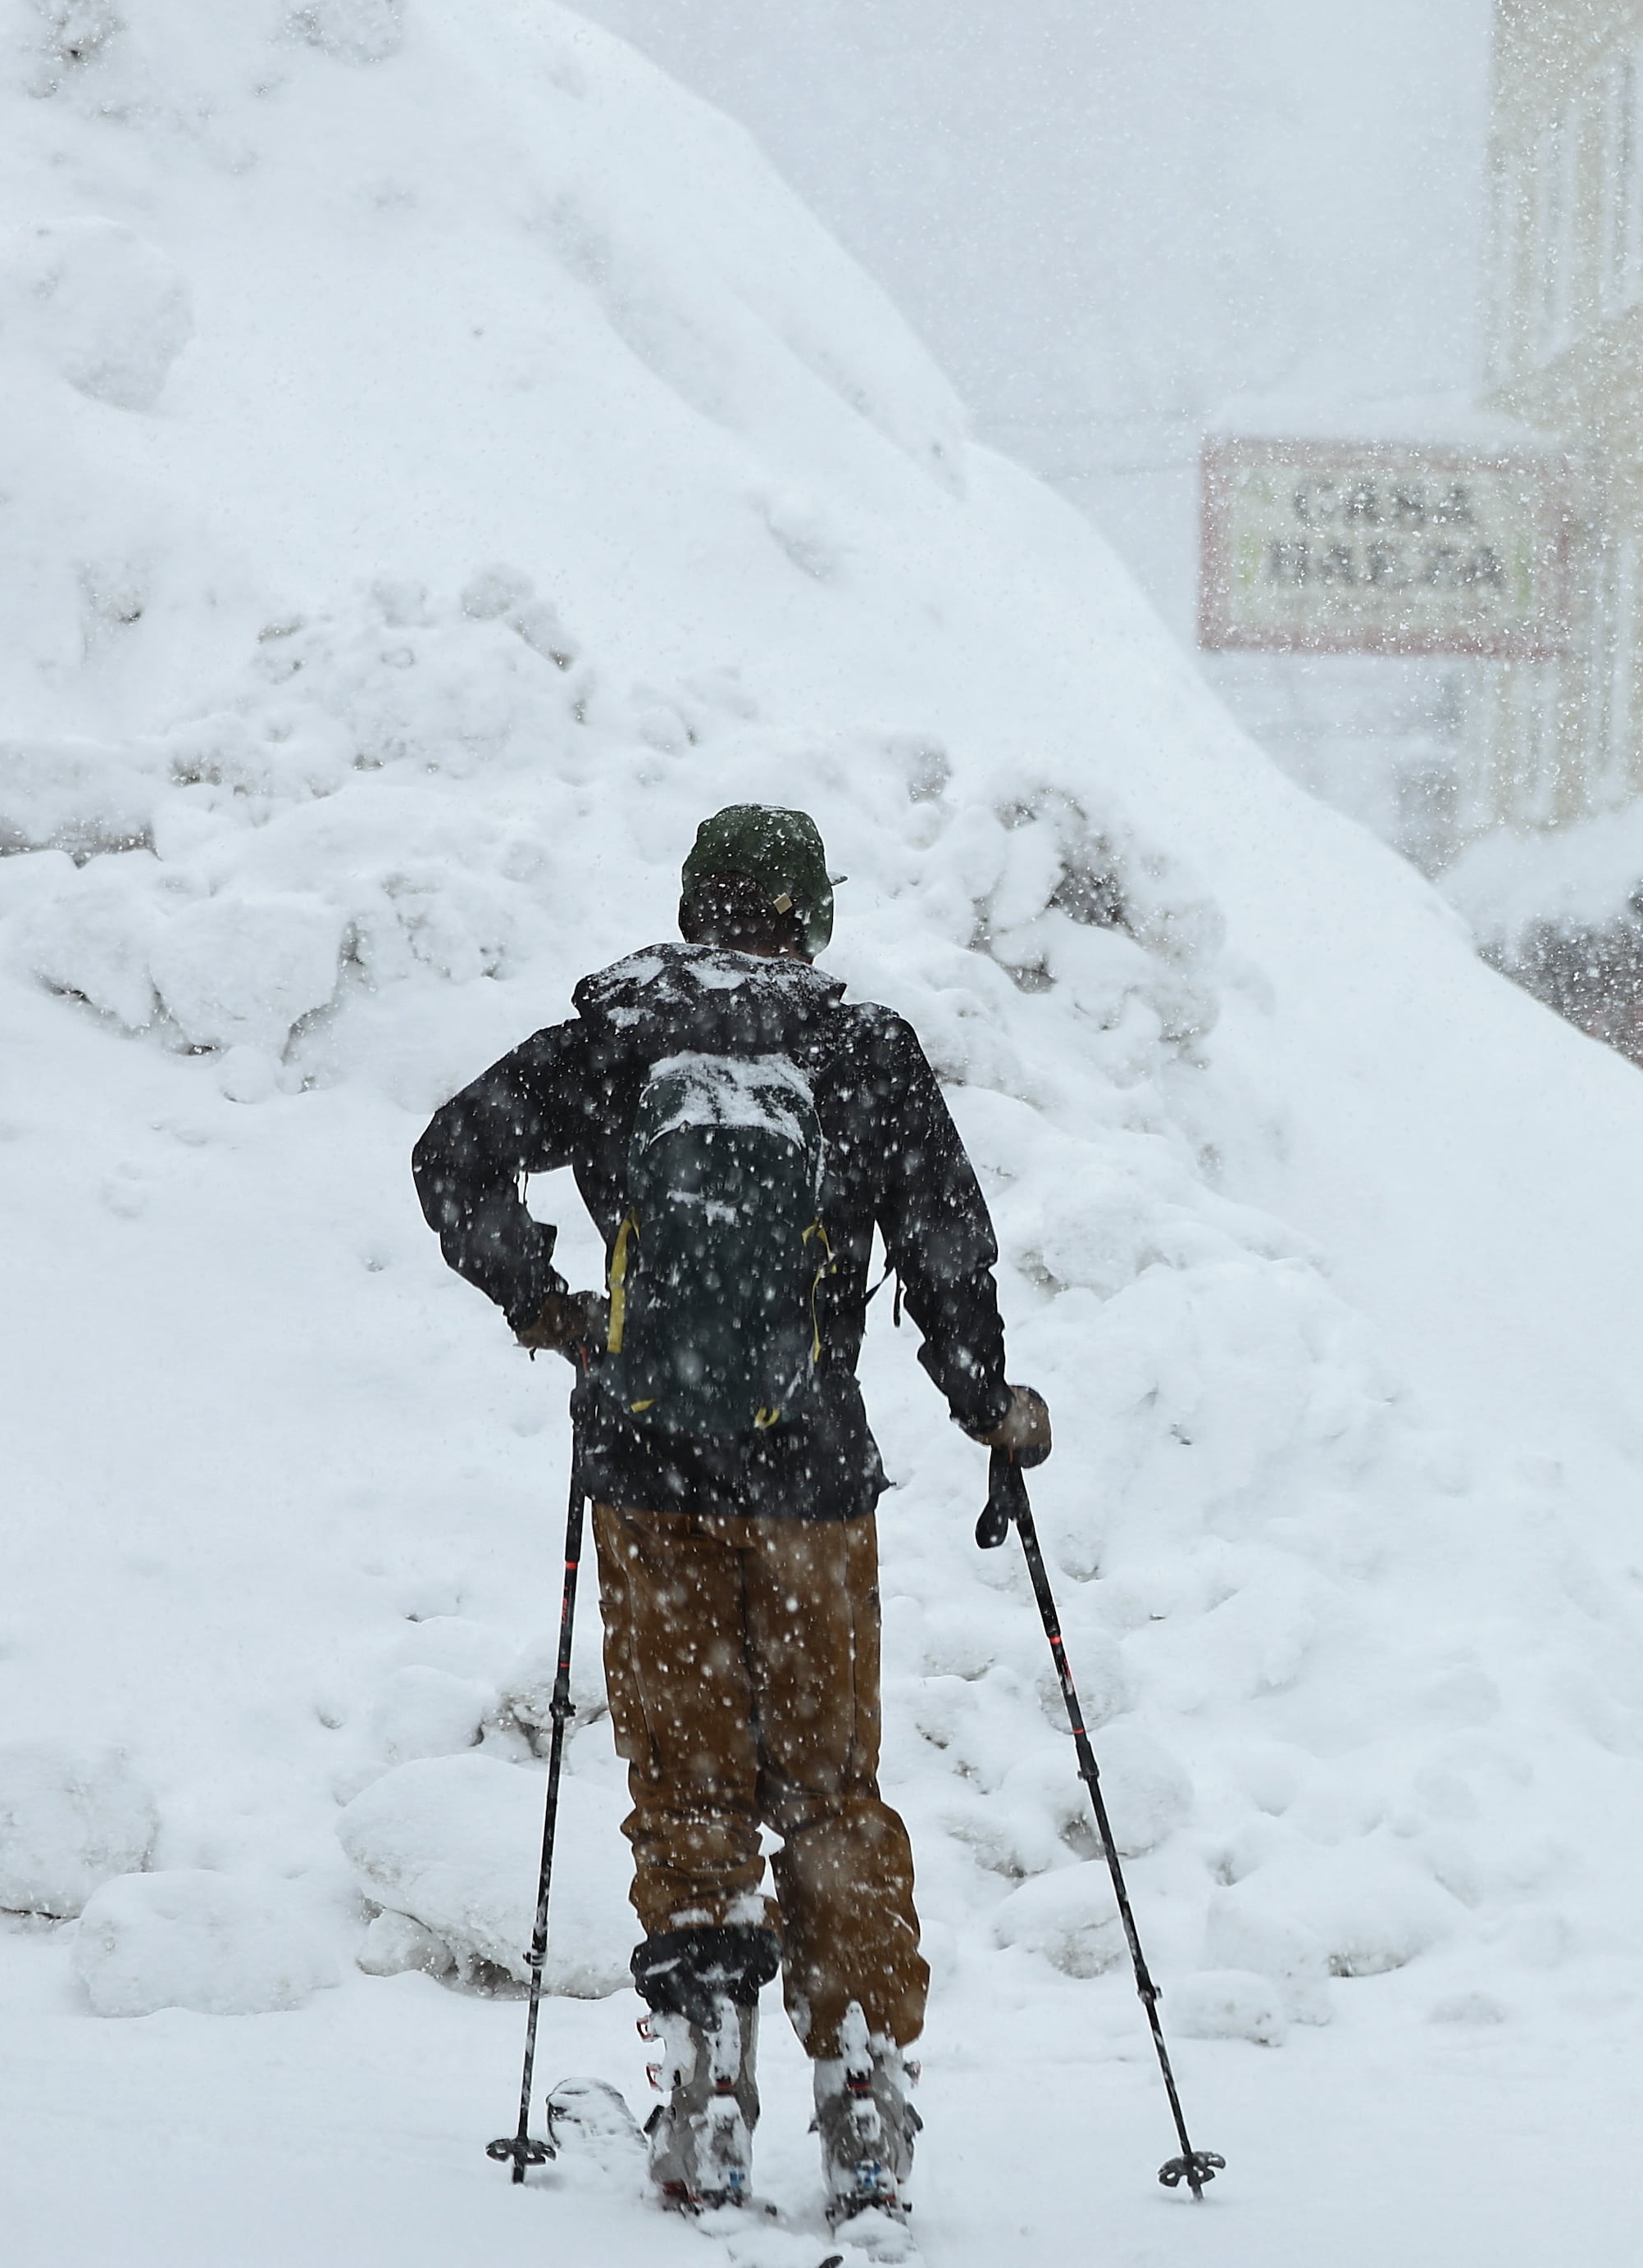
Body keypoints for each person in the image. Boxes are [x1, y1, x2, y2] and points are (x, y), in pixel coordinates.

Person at [413, 804, 1047, 2224]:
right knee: (828, 1790)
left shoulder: (617, 1036)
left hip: (649, 1475)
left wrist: (549, 1306)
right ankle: (864, 2088)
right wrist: (987, 1401)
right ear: (810, 915)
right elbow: (946, 1247)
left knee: (689, 1785)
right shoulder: (861, 1048)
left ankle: (707, 2087)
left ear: (697, 902)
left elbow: (451, 1155)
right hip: (812, 1485)